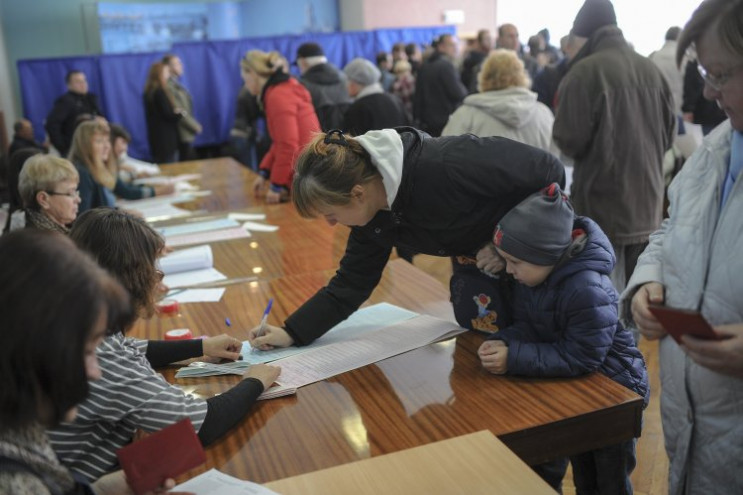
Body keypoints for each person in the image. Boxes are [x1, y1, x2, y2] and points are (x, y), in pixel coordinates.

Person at [246, 127, 565, 349]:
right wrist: (292, 331)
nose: (331, 224)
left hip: (541, 271)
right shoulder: (371, 219)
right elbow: (351, 284)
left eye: (331, 214)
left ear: (357, 194)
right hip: (484, 283)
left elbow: (548, 170)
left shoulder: (447, 163)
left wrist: (506, 243)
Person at [49, 208, 281, 483]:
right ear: (131, 278)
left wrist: (200, 347)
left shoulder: (72, 319)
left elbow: (132, 347)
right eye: (154, 271)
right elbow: (199, 424)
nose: (161, 283)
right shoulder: (102, 353)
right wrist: (254, 381)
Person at [622, 0, 743, 493]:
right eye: (705, 73)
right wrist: (647, 282)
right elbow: (670, 231)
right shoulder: (714, 150)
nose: (710, 92)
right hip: (695, 429)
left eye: (722, 74)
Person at [480, 183, 648, 493]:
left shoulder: (586, 288)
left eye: (515, 263)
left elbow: (583, 356)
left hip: (614, 394)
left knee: (609, 480)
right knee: (584, 472)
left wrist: (515, 357)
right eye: (506, 260)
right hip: (580, 390)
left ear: (547, 256)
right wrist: (506, 341)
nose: (509, 270)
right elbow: (532, 327)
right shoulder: (532, 277)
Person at [0, 229, 142, 494]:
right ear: (33, 351)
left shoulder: (18, 423)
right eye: (86, 352)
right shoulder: (14, 484)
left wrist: (100, 490)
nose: (95, 372)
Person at [552, 0, 675, 292]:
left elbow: (569, 140)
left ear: (581, 35)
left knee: (601, 298)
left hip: (601, 206)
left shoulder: (584, 72)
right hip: (647, 204)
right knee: (636, 300)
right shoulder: (651, 69)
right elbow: (668, 138)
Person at [241, 49, 320, 204]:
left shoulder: (278, 95)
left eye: (245, 79)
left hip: (306, 177)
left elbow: (288, 145)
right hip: (306, 172)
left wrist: (276, 185)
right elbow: (279, 141)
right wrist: (264, 172)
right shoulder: (282, 89)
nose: (246, 85)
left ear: (253, 73)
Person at [442, 49, 554, 153]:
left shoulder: (465, 115)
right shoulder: (543, 114)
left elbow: (445, 155)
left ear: (484, 76)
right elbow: (554, 159)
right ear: (522, 75)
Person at [69, 121, 168, 214]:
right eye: (99, 141)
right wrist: (120, 214)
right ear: (85, 146)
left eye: (107, 141)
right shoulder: (83, 173)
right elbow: (86, 216)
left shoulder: (99, 168)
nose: (106, 146)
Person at [413, 34, 467, 137]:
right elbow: (459, 94)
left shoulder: (425, 65)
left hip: (427, 124)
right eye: (452, 45)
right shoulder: (446, 65)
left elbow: (418, 97)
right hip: (444, 122)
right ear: (441, 47)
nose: (456, 48)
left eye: (457, 45)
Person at [342, 58, 408, 136]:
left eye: (347, 81)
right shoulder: (395, 100)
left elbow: (351, 144)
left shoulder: (357, 109)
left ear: (354, 83)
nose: (345, 86)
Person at [295, 42, 351, 132]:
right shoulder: (345, 78)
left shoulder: (301, 85)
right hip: (349, 139)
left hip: (319, 141)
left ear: (303, 62)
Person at [45, 70, 103, 157]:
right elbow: (52, 124)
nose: (83, 84)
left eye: (84, 80)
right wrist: (64, 148)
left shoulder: (91, 99)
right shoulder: (66, 101)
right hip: (74, 150)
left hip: (92, 148)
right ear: (69, 85)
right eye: (78, 82)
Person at [18, 154, 80, 234]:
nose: (78, 199)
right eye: (71, 193)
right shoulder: (44, 242)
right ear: (43, 199)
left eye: (76, 191)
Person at [163, 54, 202, 161]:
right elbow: (178, 110)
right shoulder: (169, 86)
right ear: (168, 67)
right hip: (180, 133)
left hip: (186, 133)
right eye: (177, 64)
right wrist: (194, 126)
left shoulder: (176, 84)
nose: (181, 66)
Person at [143, 62, 183, 164]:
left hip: (158, 139)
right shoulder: (159, 92)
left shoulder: (149, 91)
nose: (168, 74)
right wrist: (180, 113)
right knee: (169, 166)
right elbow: (167, 114)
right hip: (165, 140)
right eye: (165, 72)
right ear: (159, 74)